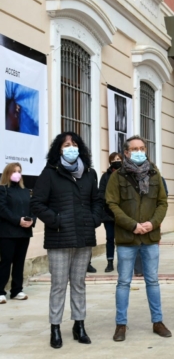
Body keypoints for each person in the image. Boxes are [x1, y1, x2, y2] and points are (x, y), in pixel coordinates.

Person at [31, 132, 102, 349]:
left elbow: (97, 201)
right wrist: (57, 220)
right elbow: (37, 204)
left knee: (79, 284)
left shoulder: (90, 174)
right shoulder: (49, 173)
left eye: (74, 144)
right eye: (66, 145)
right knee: (59, 286)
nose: (71, 148)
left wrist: (93, 219)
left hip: (84, 237)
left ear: (80, 148)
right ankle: (55, 327)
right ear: (59, 149)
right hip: (59, 238)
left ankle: (79, 325)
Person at [105, 135, 170, 341]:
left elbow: (162, 202)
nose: (139, 151)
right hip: (127, 238)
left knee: (152, 281)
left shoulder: (154, 174)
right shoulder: (118, 176)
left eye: (142, 147)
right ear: (126, 152)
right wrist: (133, 225)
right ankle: (121, 325)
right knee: (123, 282)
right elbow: (111, 204)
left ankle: (157, 322)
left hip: (150, 237)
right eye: (135, 149)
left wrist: (153, 223)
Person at [0, 163, 36, 304]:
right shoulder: (3, 190)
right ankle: (1, 291)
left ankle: (17, 290)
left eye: (19, 171)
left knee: (19, 262)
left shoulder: (25, 191)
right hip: (7, 233)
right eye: (14, 171)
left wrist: (32, 220)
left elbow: (33, 208)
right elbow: (2, 209)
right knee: (6, 262)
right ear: (8, 173)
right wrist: (17, 220)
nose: (17, 174)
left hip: (24, 232)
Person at [98, 152, 123, 272]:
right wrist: (110, 203)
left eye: (118, 159)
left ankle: (122, 262)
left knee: (122, 239)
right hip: (108, 213)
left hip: (123, 214)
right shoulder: (105, 176)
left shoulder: (125, 174)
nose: (116, 161)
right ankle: (110, 262)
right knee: (110, 238)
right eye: (114, 159)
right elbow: (101, 193)